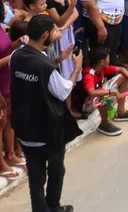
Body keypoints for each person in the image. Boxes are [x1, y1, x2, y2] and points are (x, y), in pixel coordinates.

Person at [10, 14, 83, 212]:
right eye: (53, 31)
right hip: (47, 131)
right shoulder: (44, 66)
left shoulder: (16, 57)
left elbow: (36, 80)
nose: (56, 34)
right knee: (57, 171)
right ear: (45, 35)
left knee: (36, 178)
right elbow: (63, 90)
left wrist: (59, 59)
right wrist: (76, 68)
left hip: (24, 130)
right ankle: (53, 206)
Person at [81, 46, 128, 137]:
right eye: (108, 58)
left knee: (123, 77)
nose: (109, 59)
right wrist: (112, 91)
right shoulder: (89, 74)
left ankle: (121, 112)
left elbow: (122, 69)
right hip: (87, 103)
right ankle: (104, 124)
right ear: (102, 62)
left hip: (96, 95)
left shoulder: (102, 68)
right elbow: (92, 92)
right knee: (101, 95)